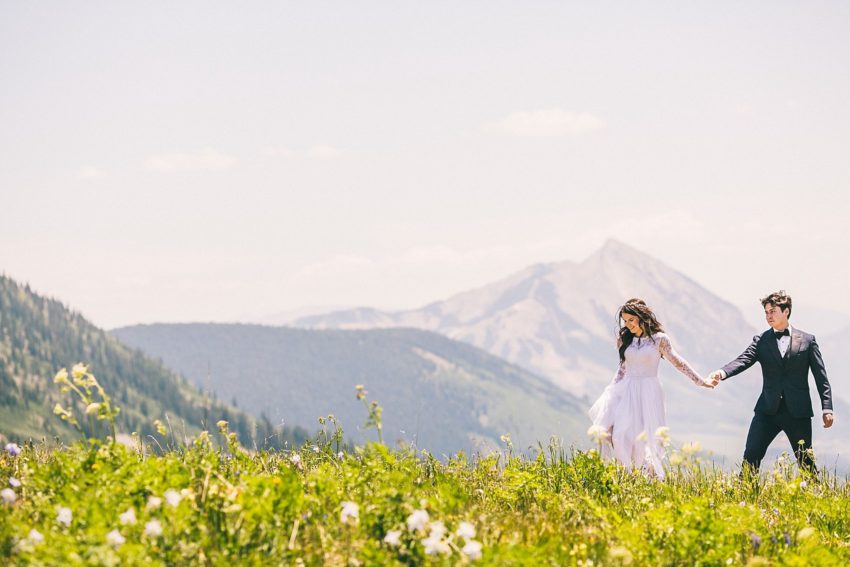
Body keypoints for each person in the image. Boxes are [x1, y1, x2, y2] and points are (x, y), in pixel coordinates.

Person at [708, 290, 833, 474]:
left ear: (786, 311)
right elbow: (743, 360)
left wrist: (827, 408)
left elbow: (821, 376)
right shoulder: (761, 341)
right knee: (751, 456)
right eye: (766, 312)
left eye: (772, 311)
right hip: (767, 410)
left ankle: (818, 497)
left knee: (806, 461)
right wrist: (721, 373)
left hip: (798, 412)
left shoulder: (807, 341)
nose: (768, 316)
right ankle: (746, 496)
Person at [589, 298, 714, 478]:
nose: (628, 324)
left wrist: (700, 380)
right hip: (627, 390)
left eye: (631, 320)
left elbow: (677, 362)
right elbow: (622, 369)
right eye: (625, 321)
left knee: (645, 439)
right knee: (619, 435)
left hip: (650, 391)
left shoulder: (659, 340)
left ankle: (646, 477)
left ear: (642, 317)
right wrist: (611, 391)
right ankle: (627, 473)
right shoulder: (624, 340)